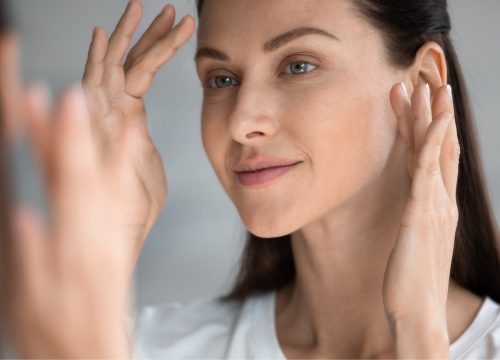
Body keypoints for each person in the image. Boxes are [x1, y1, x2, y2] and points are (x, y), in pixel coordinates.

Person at [2, 0, 500, 358]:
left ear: (424, 83)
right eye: (221, 79)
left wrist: (419, 335)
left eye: (298, 66)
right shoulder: (137, 347)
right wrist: (111, 242)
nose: (242, 122)